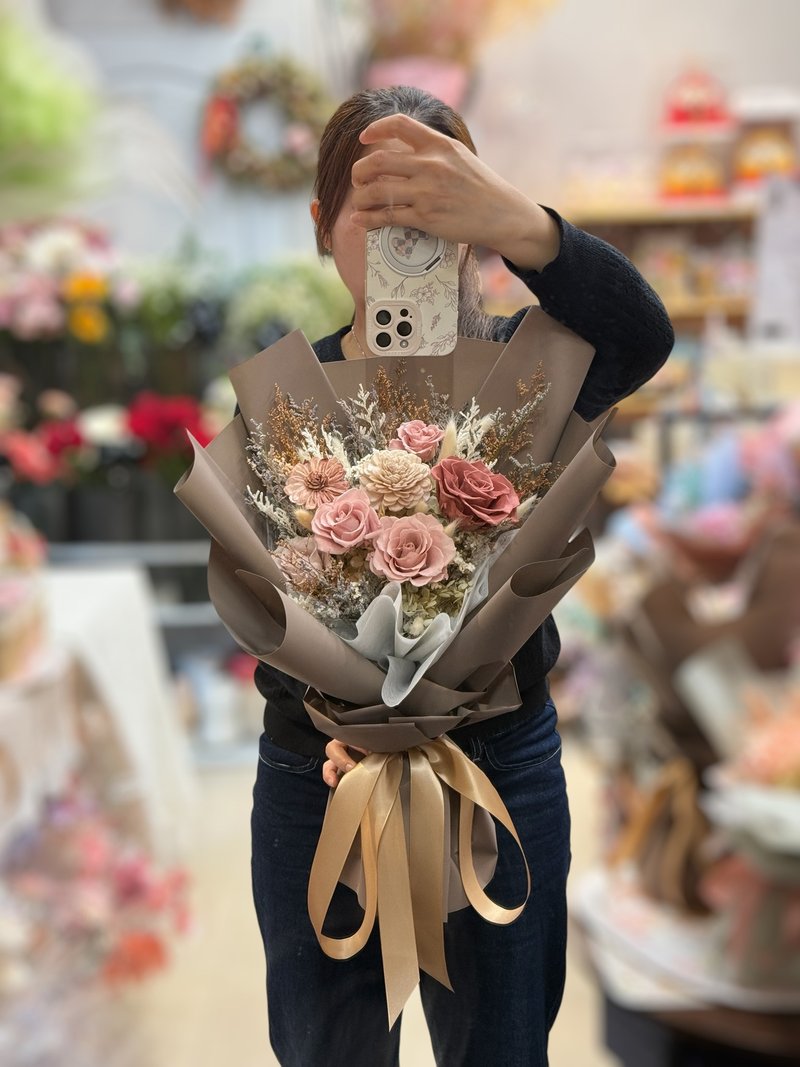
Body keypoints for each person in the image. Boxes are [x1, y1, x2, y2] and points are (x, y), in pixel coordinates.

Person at [250, 85, 674, 1067]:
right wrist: (344, 718)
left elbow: (642, 336)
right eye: (379, 207)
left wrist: (521, 227)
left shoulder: (528, 372)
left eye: (436, 205)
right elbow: (263, 592)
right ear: (323, 228)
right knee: (330, 1045)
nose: (410, 233)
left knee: (502, 1043)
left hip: (500, 763)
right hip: (321, 774)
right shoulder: (281, 396)